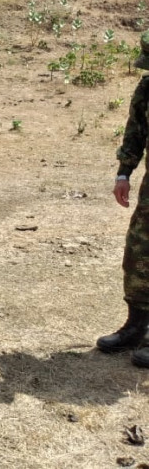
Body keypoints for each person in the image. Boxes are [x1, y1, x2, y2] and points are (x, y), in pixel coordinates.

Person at [98, 29, 149, 368]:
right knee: (138, 254)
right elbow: (136, 130)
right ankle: (136, 325)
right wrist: (123, 173)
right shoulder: (147, 88)